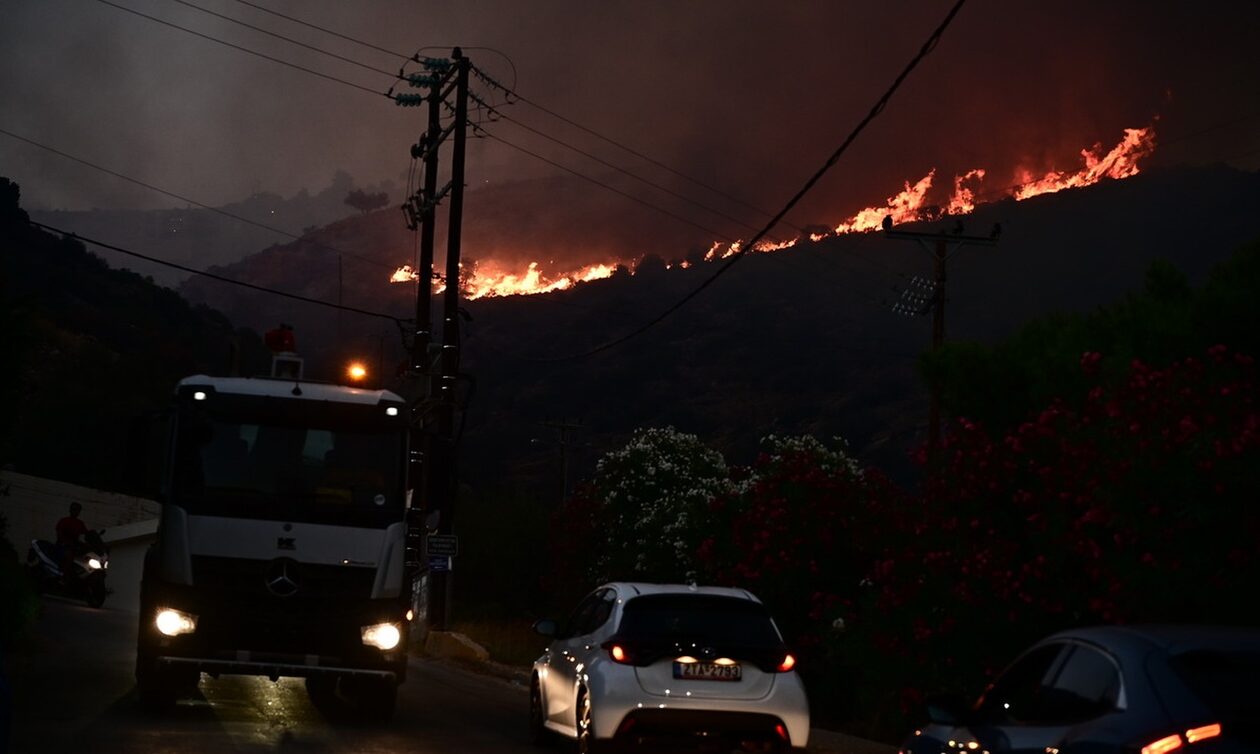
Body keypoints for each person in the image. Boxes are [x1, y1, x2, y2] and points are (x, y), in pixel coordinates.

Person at [54, 502, 89, 581]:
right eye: (74, 510)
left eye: (77, 510)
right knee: (69, 556)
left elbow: (86, 534)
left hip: (74, 547)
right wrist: (66, 543)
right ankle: (63, 577)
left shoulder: (80, 523)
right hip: (62, 546)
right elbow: (59, 534)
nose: (76, 512)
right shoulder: (64, 521)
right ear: (70, 510)